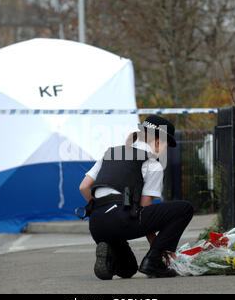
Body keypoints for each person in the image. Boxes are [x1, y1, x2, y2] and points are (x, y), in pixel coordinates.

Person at [79, 116, 194, 280]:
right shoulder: (152, 164)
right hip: (121, 220)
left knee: (128, 269)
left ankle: (109, 256)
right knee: (184, 209)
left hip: (97, 225)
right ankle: (154, 262)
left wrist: (99, 207)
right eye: (166, 144)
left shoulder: (111, 153)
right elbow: (144, 208)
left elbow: (83, 186)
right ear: (157, 140)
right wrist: (158, 249)